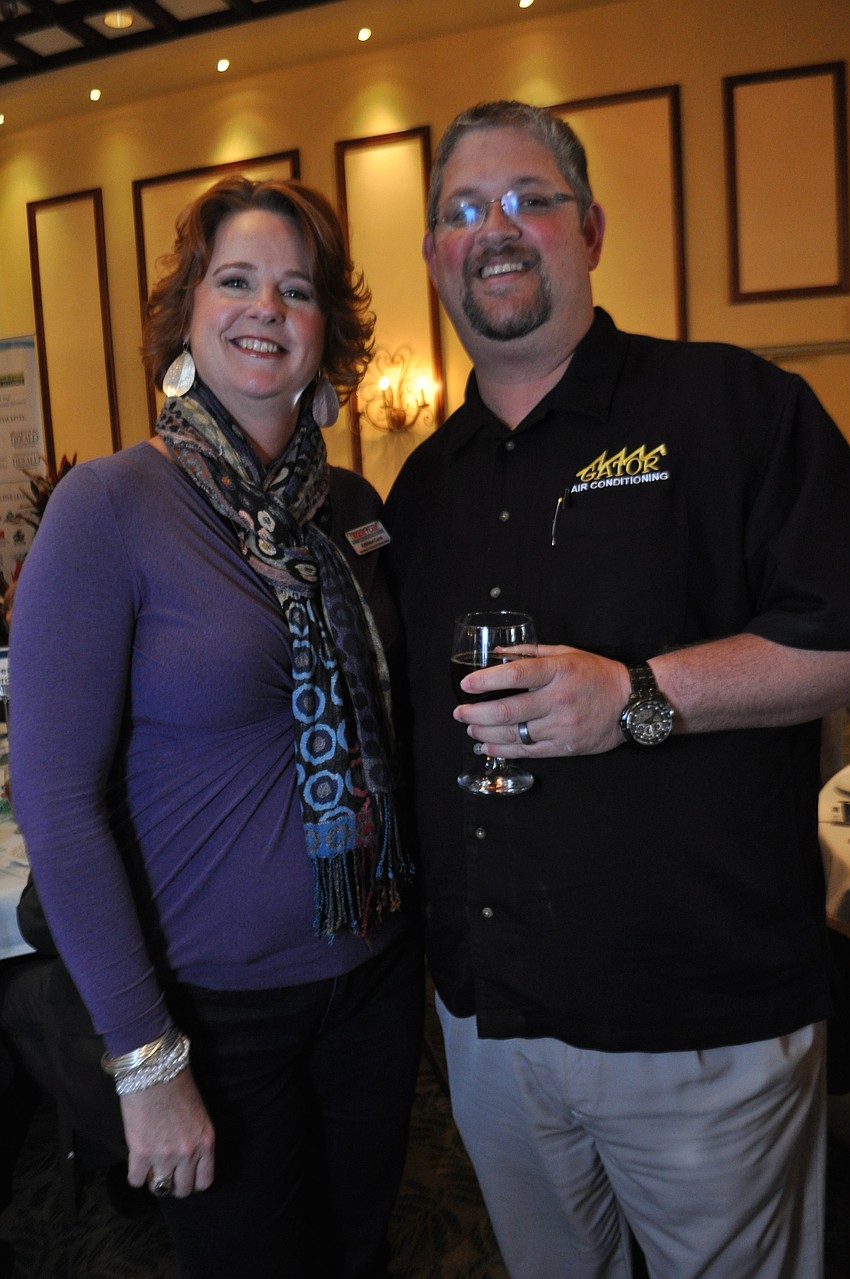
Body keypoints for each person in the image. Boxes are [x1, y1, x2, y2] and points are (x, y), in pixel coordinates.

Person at [384, 100, 850, 1279]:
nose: (495, 229)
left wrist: (635, 696)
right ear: (436, 254)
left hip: (696, 1024)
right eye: (460, 211)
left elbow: (839, 637)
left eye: (528, 199)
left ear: (588, 228)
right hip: (492, 1027)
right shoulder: (420, 489)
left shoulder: (736, 409)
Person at [9, 175, 422, 1279]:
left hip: (374, 974)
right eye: (234, 280)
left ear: (325, 328)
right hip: (217, 1014)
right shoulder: (109, 505)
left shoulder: (348, 506)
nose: (265, 309)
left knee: (358, 1250)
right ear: (187, 310)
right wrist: (146, 1060)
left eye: (295, 289)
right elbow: (55, 804)